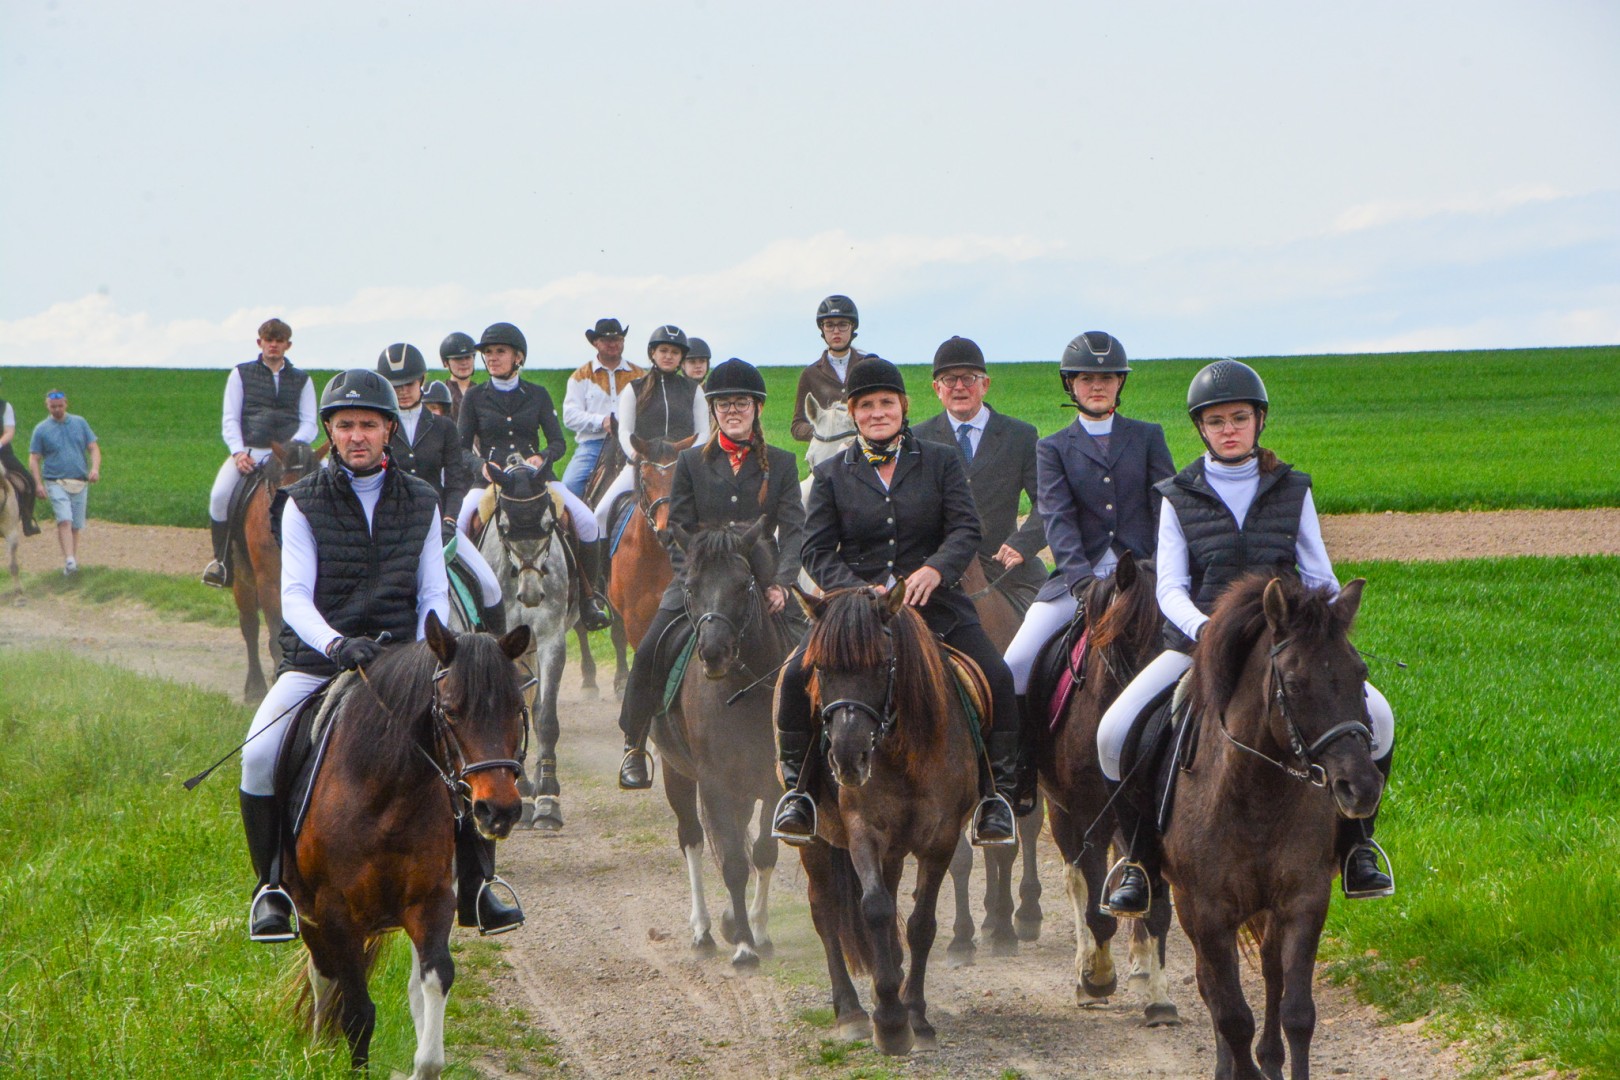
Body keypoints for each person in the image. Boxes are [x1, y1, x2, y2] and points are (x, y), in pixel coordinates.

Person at [1096, 359, 1397, 916]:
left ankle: (1358, 848)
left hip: (1286, 646)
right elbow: (1169, 586)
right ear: (1201, 429)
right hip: (1198, 642)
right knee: (1116, 731)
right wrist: (1210, 632)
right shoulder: (1177, 493)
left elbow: (1321, 574)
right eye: (1216, 421)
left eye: (1238, 418)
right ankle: (1138, 860)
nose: (1228, 428)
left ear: (1259, 422)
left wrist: (1319, 622)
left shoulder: (1292, 487)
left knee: (1377, 718)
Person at [236, 368, 524, 941]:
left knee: (462, 749)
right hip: (320, 661)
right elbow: (292, 596)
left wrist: (424, 656)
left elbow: (432, 593)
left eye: (368, 423)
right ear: (331, 433)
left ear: (389, 429)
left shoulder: (418, 500)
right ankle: (271, 888)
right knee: (259, 755)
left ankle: (478, 885)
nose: (356, 435)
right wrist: (337, 644)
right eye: (345, 425)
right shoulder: (300, 502)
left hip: (404, 662)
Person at [773, 357, 1023, 847]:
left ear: (904, 407)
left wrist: (934, 569)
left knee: (998, 675)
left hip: (937, 605)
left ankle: (998, 796)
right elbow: (816, 550)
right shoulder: (830, 474)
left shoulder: (940, 460)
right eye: (866, 406)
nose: (877, 412)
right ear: (854, 412)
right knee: (796, 676)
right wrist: (855, 591)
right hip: (854, 612)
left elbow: (966, 529)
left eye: (886, 402)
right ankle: (799, 793)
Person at [617, 357, 807, 789]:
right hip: (699, 575)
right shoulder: (691, 463)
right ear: (714, 411)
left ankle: (813, 741)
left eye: (741, 403)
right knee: (650, 649)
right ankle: (634, 741)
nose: (733, 411)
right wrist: (689, 581)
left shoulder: (781, 463)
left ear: (757, 408)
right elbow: (677, 530)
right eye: (723, 405)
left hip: (762, 574)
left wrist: (784, 581)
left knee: (809, 650)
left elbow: (795, 530)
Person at [1003, 332, 1173, 702]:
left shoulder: (1148, 437)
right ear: (1071, 385)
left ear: (1119, 383)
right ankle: (1016, 759)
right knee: (1015, 663)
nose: (1097, 386)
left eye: (1107, 378)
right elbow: (1057, 518)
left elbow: (1165, 510)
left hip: (1146, 576)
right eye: (1087, 379)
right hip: (1079, 579)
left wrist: (1160, 570)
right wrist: (1082, 583)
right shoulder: (1052, 448)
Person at [455, 322, 613, 631]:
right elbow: (461, 450)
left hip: (537, 479)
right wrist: (481, 467)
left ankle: (587, 598)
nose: (491, 358)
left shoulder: (538, 394)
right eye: (487, 353)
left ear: (518, 357)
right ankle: (466, 605)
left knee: (587, 522)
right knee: (458, 528)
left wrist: (543, 456)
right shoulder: (474, 398)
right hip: (492, 480)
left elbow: (558, 442)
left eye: (499, 351)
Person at [911, 336, 1048, 608]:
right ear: (937, 388)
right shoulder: (918, 440)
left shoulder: (1020, 435)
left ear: (985, 385)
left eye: (969, 378)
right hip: (939, 568)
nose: (959, 387)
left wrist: (1023, 544)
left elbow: (1047, 501)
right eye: (949, 379)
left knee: (1056, 625)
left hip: (1005, 567)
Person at [202, 318, 317, 587]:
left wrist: (292, 449)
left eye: (279, 341)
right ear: (260, 343)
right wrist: (238, 453)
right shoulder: (240, 374)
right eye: (269, 340)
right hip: (252, 451)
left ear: (288, 345)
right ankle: (222, 563)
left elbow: (310, 421)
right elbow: (230, 419)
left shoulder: (302, 379)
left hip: (291, 456)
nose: (273, 345)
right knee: (219, 496)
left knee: (329, 485)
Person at [589, 325, 710, 540]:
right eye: (663, 351)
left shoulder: (694, 390)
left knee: (714, 514)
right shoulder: (634, 388)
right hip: (642, 464)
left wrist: (688, 460)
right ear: (652, 353)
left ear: (682, 356)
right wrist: (637, 458)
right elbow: (625, 431)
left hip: (682, 466)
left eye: (674, 352)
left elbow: (703, 433)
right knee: (600, 514)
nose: (668, 356)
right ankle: (601, 573)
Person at [376, 344, 472, 532]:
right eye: (396, 387)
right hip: (388, 523)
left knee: (477, 563)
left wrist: (450, 520)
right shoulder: (378, 427)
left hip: (435, 520)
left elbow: (454, 483)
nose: (402, 392)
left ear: (421, 380)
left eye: (409, 384)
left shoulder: (444, 427)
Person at [560, 318, 643, 498]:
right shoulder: (580, 376)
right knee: (569, 485)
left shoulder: (640, 376)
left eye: (618, 339)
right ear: (595, 343)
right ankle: (571, 526)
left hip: (632, 442)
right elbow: (570, 415)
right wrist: (601, 421)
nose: (613, 344)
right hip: (593, 444)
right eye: (607, 340)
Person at [28, 390, 101, 575]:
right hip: (55, 481)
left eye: (60, 406)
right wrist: (38, 484)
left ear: (66, 404)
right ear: (47, 406)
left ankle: (71, 564)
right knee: (64, 520)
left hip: (79, 481)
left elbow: (93, 448)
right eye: (53, 407)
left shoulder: (80, 422)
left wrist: (95, 469)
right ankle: (69, 559)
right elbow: (34, 458)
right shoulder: (41, 429)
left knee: (76, 525)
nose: (57, 410)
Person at [790, 295, 873, 442]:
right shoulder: (810, 374)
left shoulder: (868, 366)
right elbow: (797, 426)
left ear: (852, 326)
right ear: (822, 328)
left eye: (842, 324)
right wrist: (824, 428)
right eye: (829, 325)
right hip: (827, 451)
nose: (836, 331)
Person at [0, 373, 40, 535]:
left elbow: (9, 431)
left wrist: (0, 443)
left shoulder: (5, 406)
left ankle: (27, 521)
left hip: (3, 452)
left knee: (29, 482)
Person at [438, 331, 480, 421]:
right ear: (446, 363)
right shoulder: (439, 393)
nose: (464, 363)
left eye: (468, 357)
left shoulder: (483, 393)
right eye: (458, 358)